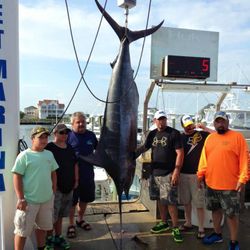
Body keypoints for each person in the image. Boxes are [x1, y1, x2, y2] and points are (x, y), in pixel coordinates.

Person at [197, 111, 249, 250]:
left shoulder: (238, 137)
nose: (220, 124)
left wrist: (243, 178)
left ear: (227, 122)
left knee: (231, 215)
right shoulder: (210, 138)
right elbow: (204, 159)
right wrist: (200, 175)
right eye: (217, 121)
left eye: (223, 121)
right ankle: (217, 234)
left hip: (230, 186)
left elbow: (245, 160)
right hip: (211, 184)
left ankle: (233, 241)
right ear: (214, 123)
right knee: (215, 210)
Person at [136, 110, 184, 243]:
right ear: (155, 121)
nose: (161, 121)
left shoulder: (173, 133)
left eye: (163, 119)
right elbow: (144, 148)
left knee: (170, 202)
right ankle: (164, 222)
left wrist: (176, 171)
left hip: (168, 173)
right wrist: (131, 154)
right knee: (159, 200)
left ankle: (175, 227)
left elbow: (180, 153)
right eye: (159, 119)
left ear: (166, 120)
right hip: (154, 173)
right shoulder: (152, 134)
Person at [12, 126, 58, 250]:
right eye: (40, 137)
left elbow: (53, 173)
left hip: (46, 200)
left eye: (46, 137)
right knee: (21, 231)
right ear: (32, 139)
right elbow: (16, 176)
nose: (44, 140)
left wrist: (53, 191)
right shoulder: (24, 155)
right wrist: (21, 198)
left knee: (42, 228)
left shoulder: (49, 154)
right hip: (29, 201)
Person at [45, 124, 79, 249]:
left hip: (68, 187)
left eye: (66, 133)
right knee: (51, 216)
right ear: (55, 134)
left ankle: (58, 237)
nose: (65, 135)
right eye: (61, 133)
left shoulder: (69, 147)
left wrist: (76, 179)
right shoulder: (49, 147)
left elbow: (75, 164)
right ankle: (48, 240)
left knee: (60, 216)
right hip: (55, 188)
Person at [178, 115, 210, 239]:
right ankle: (188, 222)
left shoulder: (202, 135)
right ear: (182, 126)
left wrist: (205, 127)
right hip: (183, 174)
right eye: (187, 126)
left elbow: (216, 135)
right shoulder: (180, 137)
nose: (190, 127)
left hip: (197, 175)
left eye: (191, 124)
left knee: (199, 203)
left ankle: (201, 227)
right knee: (186, 201)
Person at [67, 112, 98, 238]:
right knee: (72, 202)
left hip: (88, 174)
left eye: (83, 122)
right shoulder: (68, 136)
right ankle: (70, 224)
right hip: (72, 176)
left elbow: (100, 150)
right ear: (72, 123)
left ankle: (79, 220)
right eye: (78, 122)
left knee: (85, 200)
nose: (81, 124)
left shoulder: (91, 135)